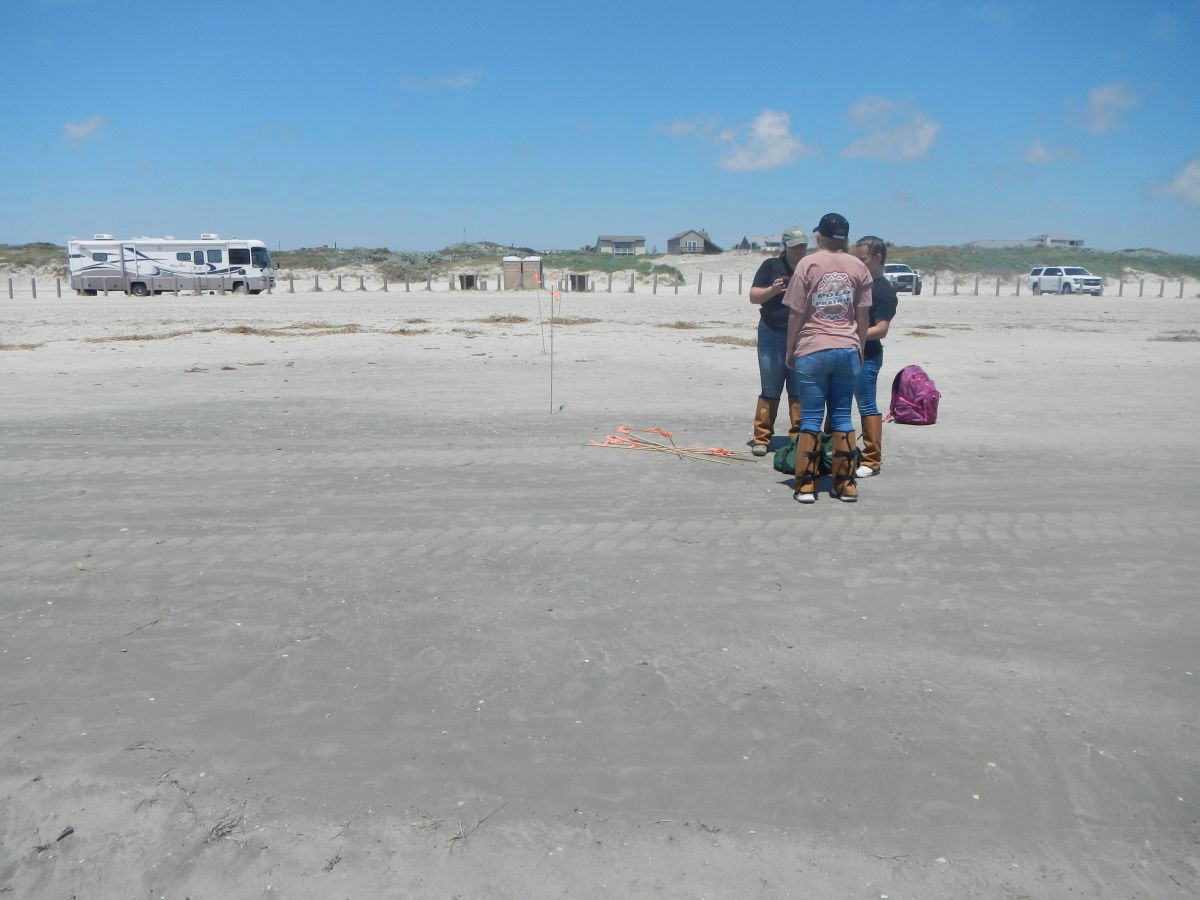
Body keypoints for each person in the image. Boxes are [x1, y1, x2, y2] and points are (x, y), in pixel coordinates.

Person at [781, 213, 872, 503]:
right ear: (844, 237)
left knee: (810, 417)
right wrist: (859, 347)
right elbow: (862, 314)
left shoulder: (807, 264)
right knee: (842, 416)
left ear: (819, 235)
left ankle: (806, 484)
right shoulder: (859, 266)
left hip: (813, 346)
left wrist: (790, 348)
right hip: (847, 348)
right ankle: (845, 484)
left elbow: (795, 312)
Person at [747, 227, 808, 456]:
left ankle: (799, 436)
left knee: (799, 386)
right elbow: (753, 297)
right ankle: (762, 437)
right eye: (795, 245)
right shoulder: (771, 266)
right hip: (772, 332)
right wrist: (773, 290)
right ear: (785, 245)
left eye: (802, 245)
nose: (799, 249)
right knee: (771, 385)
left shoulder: (809, 267)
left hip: (802, 334)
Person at [851, 235, 899, 478]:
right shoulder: (857, 284)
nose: (858, 264)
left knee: (866, 404)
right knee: (837, 403)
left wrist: (851, 335)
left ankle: (872, 459)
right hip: (846, 354)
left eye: (862, 259)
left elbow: (881, 330)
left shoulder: (884, 291)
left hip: (868, 356)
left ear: (877, 258)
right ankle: (838, 450)